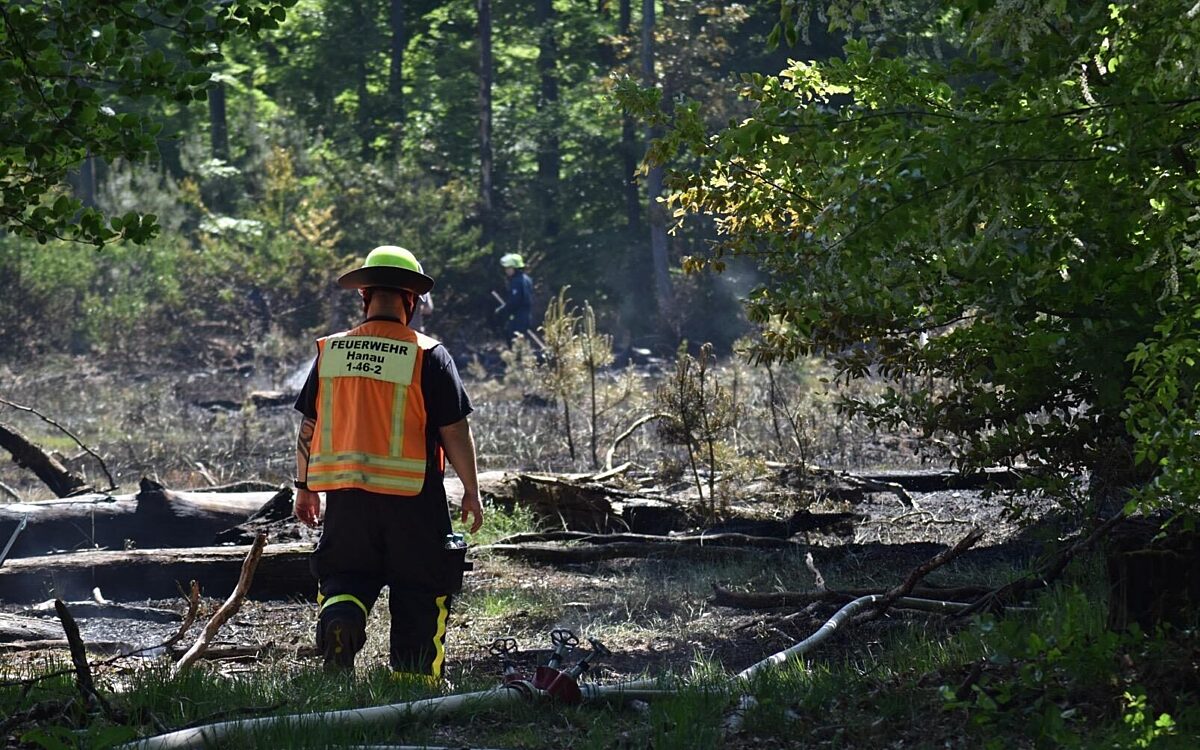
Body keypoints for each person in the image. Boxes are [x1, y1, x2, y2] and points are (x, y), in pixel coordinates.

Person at [292, 245, 484, 679]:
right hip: (413, 498)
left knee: (345, 575)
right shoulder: (428, 353)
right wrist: (471, 491)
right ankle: (412, 681)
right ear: (410, 300)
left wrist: (304, 488)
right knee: (421, 586)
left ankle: (342, 618)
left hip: (346, 497)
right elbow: (454, 429)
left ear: (364, 296)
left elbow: (308, 426)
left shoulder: (331, 351)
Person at [498, 253, 533, 342]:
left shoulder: (517, 282)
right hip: (525, 316)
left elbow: (514, 301)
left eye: (508, 268)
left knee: (515, 340)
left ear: (515, 268)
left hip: (519, 317)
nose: (506, 270)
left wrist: (503, 310)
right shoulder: (527, 279)